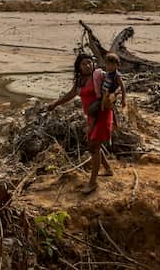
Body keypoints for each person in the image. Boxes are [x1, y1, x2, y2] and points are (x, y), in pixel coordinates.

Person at [44, 52, 115, 193]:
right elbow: (71, 94)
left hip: (102, 114)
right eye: (84, 64)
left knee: (93, 146)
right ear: (79, 67)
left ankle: (93, 182)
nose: (88, 65)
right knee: (94, 144)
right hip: (91, 116)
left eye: (89, 62)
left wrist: (112, 98)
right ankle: (108, 169)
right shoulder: (79, 81)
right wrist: (56, 104)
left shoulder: (99, 76)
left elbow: (115, 84)